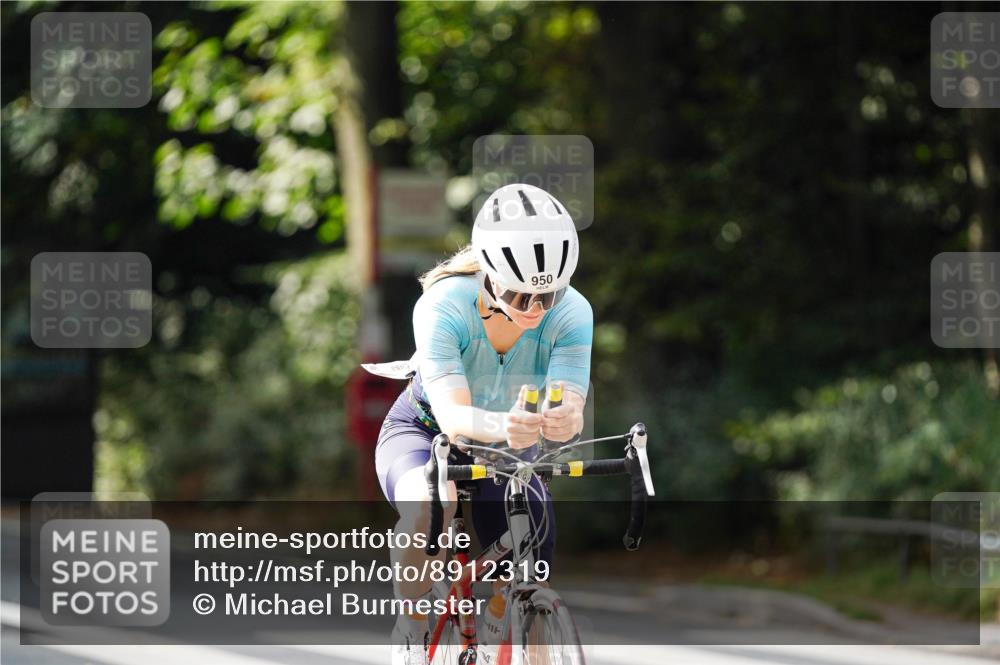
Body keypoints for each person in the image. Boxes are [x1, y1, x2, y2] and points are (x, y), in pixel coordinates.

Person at [370, 183, 593, 665]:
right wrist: (511, 426)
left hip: (506, 444)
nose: (535, 309)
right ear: (490, 275)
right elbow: (454, 419)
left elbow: (571, 404)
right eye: (520, 295)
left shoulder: (573, 312)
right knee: (431, 503)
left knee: (533, 541)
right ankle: (411, 623)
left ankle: (506, 615)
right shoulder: (443, 304)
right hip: (426, 431)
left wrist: (565, 418)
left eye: (548, 294)